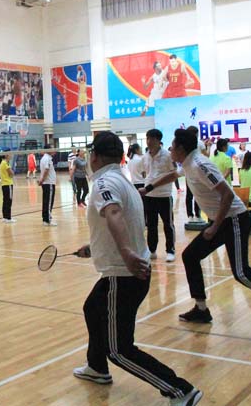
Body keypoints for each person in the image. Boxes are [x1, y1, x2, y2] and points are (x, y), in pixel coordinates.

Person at [72, 131, 202, 406]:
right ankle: (96, 367)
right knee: (92, 308)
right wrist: (94, 248)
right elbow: (123, 224)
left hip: (123, 274)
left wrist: (127, 253)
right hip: (127, 271)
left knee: (119, 350)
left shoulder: (104, 182)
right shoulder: (124, 182)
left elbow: (114, 213)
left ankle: (180, 390)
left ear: (95, 157)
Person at [144, 129, 251, 338]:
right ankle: (201, 309)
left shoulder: (200, 165)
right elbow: (172, 175)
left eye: (173, 146)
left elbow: (227, 195)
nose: (170, 150)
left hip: (234, 220)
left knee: (242, 273)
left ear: (181, 149)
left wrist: (214, 226)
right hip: (221, 221)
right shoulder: (187, 163)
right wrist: (148, 188)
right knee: (190, 256)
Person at [142, 129, 178, 262]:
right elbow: (145, 173)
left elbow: (174, 173)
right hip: (149, 196)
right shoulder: (145, 156)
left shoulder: (168, 155)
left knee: (168, 224)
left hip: (164, 195)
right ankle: (152, 250)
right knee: (151, 225)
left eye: (152, 139)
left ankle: (170, 251)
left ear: (158, 140)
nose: (149, 141)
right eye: (147, 138)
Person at [184, 126, 204, 224]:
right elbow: (206, 155)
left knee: (189, 195)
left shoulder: (184, 144)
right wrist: (208, 146)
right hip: (198, 172)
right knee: (198, 194)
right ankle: (197, 215)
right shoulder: (200, 143)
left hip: (188, 172)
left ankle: (190, 216)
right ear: (196, 133)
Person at [38, 145, 58, 226]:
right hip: (49, 183)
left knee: (46, 201)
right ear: (48, 149)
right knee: (49, 202)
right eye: (52, 148)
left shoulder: (46, 158)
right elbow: (46, 170)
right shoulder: (47, 158)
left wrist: (41, 180)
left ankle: (45, 218)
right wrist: (42, 180)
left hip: (48, 183)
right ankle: (47, 220)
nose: (54, 149)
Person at [0, 151, 16, 223]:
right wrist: (12, 173)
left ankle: (5, 217)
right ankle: (8, 218)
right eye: (10, 154)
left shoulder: (2, 163)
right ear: (6, 155)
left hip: (4, 184)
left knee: (5, 201)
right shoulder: (5, 163)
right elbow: (12, 173)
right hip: (8, 184)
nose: (11, 155)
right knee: (8, 201)